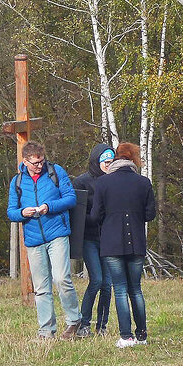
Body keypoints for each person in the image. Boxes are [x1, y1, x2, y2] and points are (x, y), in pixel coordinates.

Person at [7, 141, 82, 340]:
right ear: (25, 161)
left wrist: (49, 206)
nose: (39, 166)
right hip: (33, 240)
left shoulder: (56, 172)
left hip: (57, 233)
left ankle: (74, 321)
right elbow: (11, 212)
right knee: (41, 288)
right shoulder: (17, 182)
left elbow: (70, 198)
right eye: (35, 163)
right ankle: (46, 330)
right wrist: (23, 212)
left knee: (61, 278)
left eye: (41, 161)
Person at [90, 142, 156, 348]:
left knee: (119, 290)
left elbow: (95, 215)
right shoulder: (144, 183)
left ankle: (126, 336)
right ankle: (142, 335)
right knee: (135, 289)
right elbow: (150, 214)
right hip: (136, 242)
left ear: (116, 158)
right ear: (133, 159)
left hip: (111, 243)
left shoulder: (102, 183)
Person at [73, 143, 115, 337]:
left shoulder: (114, 181)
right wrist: (95, 217)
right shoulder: (82, 182)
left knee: (107, 284)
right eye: (105, 162)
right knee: (96, 280)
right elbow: (78, 212)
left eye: (111, 162)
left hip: (109, 238)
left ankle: (102, 325)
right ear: (97, 161)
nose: (108, 165)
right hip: (89, 237)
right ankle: (84, 323)